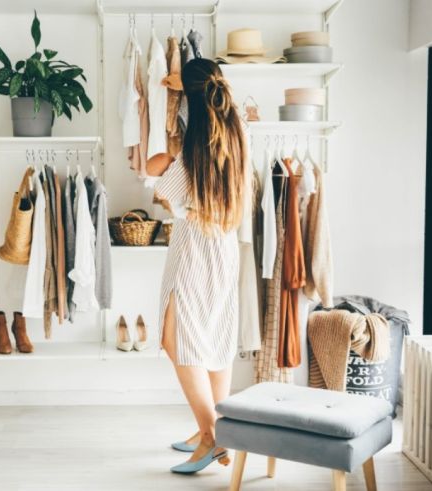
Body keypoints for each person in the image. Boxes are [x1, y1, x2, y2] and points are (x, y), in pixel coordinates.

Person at [147, 57, 249, 474]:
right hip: (225, 246)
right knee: (215, 335)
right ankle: (213, 427)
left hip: (193, 248)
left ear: (189, 96)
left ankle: (211, 436)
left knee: (177, 338)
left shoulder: (191, 146)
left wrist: (166, 161)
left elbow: (166, 195)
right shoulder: (238, 133)